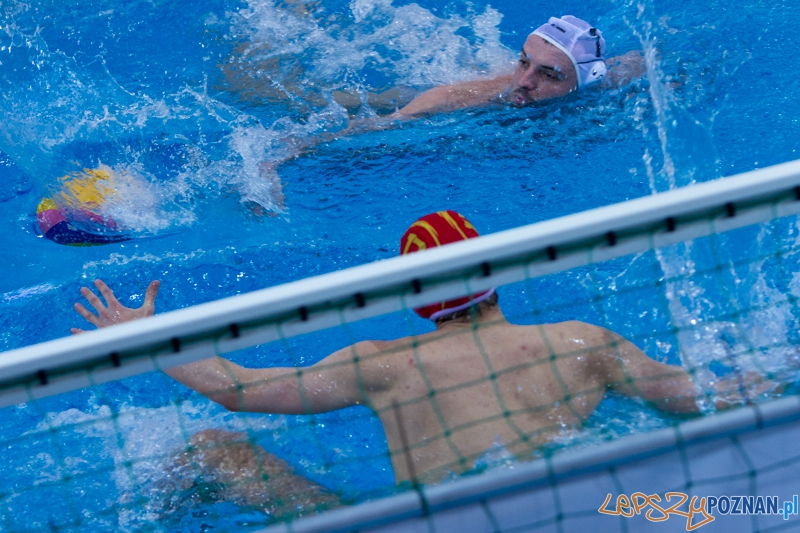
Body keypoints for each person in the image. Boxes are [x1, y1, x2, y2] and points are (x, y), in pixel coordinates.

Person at [72, 210, 773, 488]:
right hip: (577, 507)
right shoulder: (583, 342)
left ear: (413, 299)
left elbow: (239, 389)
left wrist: (144, 337)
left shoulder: (383, 364)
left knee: (213, 447)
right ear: (495, 271)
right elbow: (699, 398)